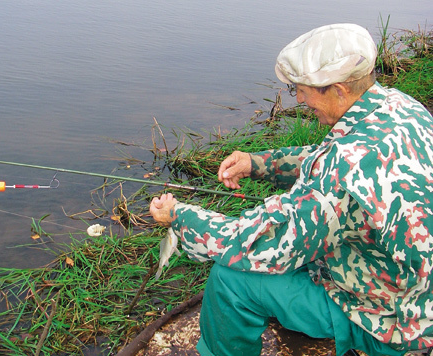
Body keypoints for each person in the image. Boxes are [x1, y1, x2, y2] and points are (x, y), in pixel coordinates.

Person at [150, 23, 433, 356]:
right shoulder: (402, 108)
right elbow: (326, 158)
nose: (298, 98)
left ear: (339, 90)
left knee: (230, 279)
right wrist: (258, 164)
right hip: (416, 287)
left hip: (394, 323)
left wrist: (180, 217)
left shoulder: (342, 170)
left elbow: (255, 242)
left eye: (303, 88)